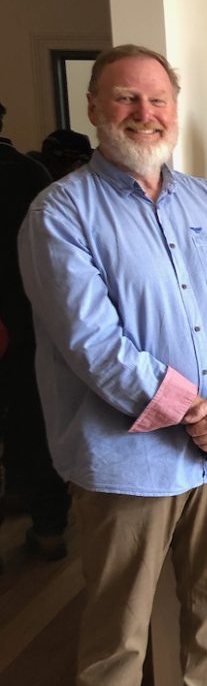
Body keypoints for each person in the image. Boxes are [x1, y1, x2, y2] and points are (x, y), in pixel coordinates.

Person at [17, 45, 207, 686]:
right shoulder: (61, 213)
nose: (145, 113)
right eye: (127, 98)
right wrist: (200, 412)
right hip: (127, 463)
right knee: (118, 632)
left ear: (174, 110)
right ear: (94, 108)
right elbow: (93, 345)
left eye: (157, 99)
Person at [0, 100, 66, 562]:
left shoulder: (41, 185)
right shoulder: (32, 178)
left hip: (23, 325)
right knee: (33, 421)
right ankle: (49, 527)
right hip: (26, 324)